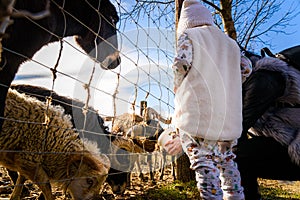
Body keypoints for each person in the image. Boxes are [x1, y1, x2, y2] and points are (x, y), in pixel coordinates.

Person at [169, 0, 245, 199]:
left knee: (204, 165)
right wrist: (234, 81)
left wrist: (177, 85)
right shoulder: (231, 44)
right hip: (227, 121)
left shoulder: (189, 36)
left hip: (198, 117)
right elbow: (246, 68)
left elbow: (181, 64)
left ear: (185, 24)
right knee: (228, 165)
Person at [234, 54, 300, 200]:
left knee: (233, 154)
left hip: (296, 146)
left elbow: (236, 129)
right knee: (237, 155)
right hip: (288, 146)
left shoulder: (264, 78)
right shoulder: (240, 89)